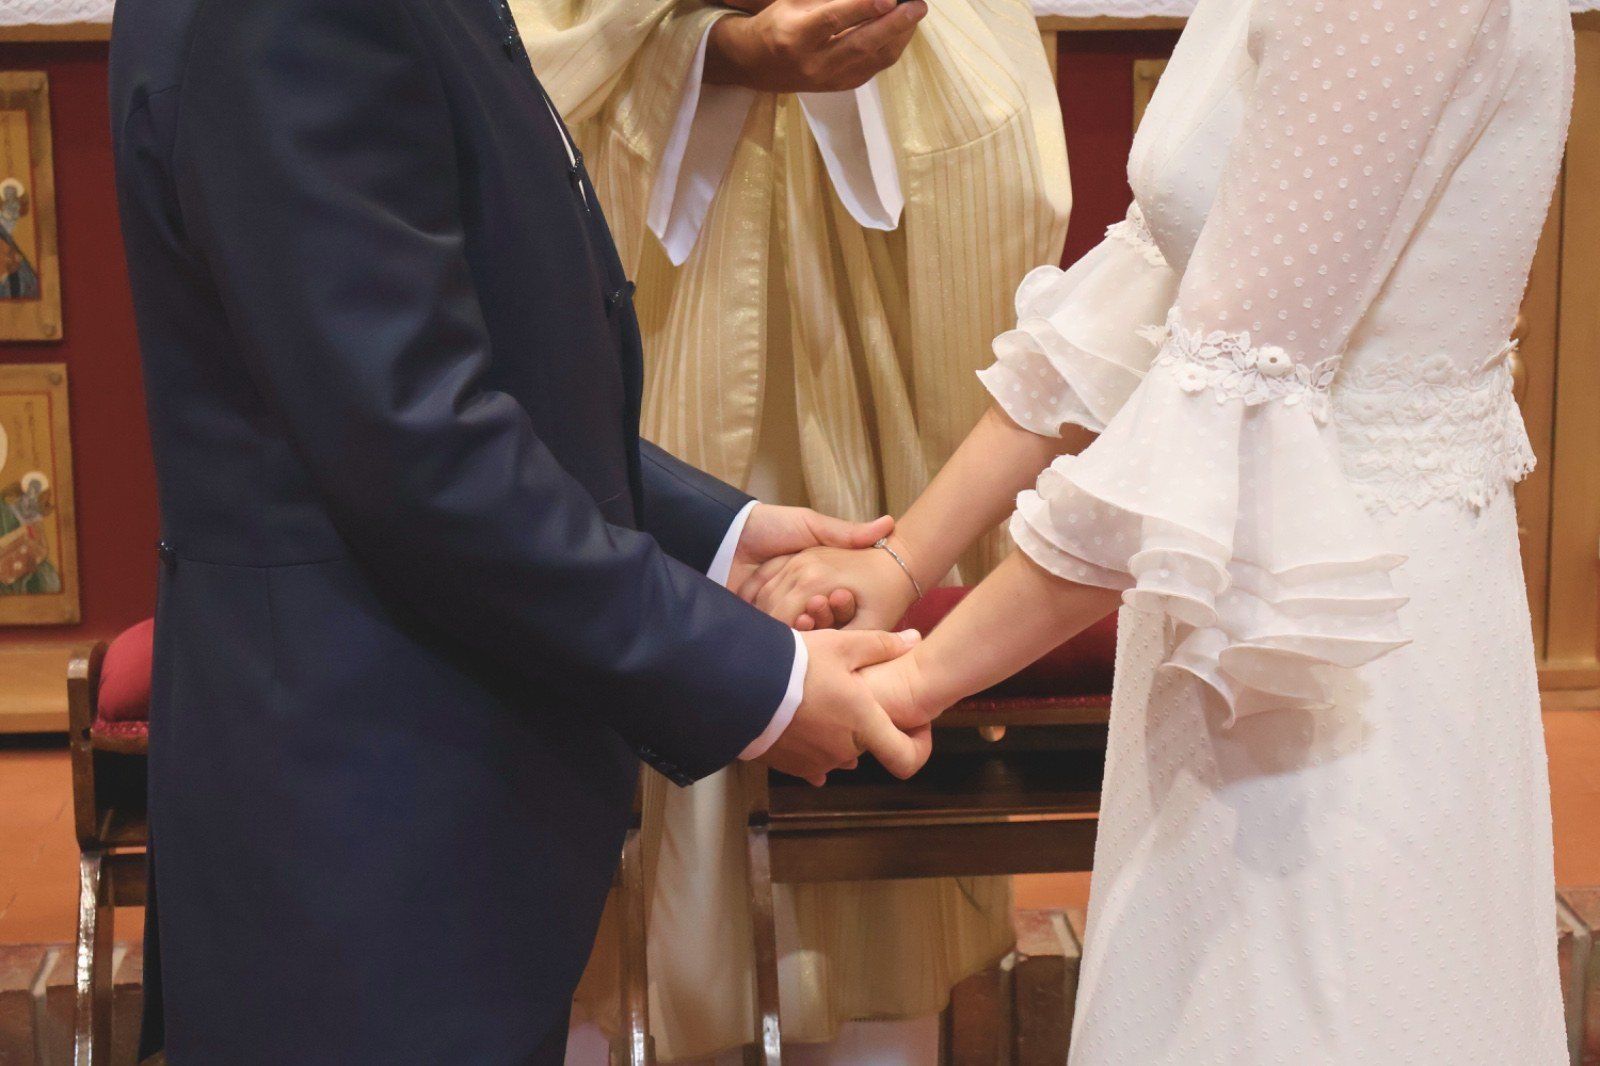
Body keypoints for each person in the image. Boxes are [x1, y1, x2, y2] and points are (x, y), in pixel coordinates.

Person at [106, 0, 936, 1061]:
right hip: (361, 821)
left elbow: (430, 363)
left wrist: (716, 533)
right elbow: (416, 450)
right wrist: (761, 683)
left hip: (413, 791)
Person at [761, 0, 1576, 1060]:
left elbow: (1221, 396)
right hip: (1225, 610)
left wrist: (909, 686)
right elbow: (1145, 283)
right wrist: (903, 559)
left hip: (1332, 641)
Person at [512, 0, 1069, 1057]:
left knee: (851, 573)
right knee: (613, 562)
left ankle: (868, 1011)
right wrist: (706, 48)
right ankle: (612, 1012)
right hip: (647, 201)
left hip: (861, 231)